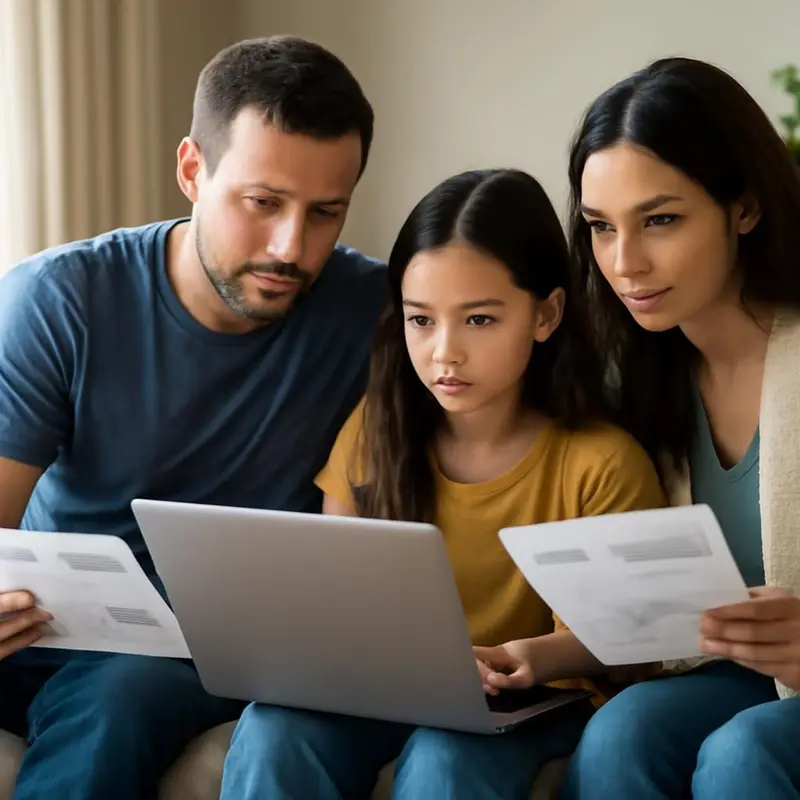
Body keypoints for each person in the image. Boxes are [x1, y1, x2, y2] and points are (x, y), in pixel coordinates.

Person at [0, 36, 385, 799]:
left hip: (202, 654)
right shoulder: (60, 300)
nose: (291, 247)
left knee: (121, 697)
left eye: (325, 213)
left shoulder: (376, 314)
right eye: (263, 202)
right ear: (191, 170)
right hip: (51, 631)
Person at [220, 168, 665, 800]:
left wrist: (525, 657)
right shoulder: (380, 427)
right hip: (386, 686)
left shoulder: (600, 462)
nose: (444, 353)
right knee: (274, 728)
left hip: (535, 699)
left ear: (546, 315)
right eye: (421, 320)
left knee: (445, 755)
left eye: (479, 320)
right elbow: (331, 588)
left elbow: (616, 641)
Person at [559, 57, 800, 800]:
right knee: (621, 731)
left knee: (743, 752)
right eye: (602, 227)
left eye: (660, 220)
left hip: (777, 702)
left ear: (745, 207)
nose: (625, 263)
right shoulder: (633, 379)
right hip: (726, 676)